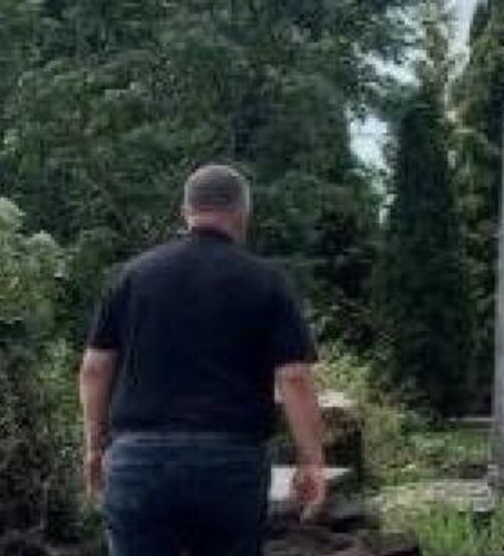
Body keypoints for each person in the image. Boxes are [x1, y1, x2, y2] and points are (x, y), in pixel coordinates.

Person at [79, 164, 327, 555]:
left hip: (139, 460)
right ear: (244, 212)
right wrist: (311, 461)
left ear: (185, 212)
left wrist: (94, 447)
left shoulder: (131, 276)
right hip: (230, 462)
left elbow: (94, 369)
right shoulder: (266, 280)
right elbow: (294, 378)